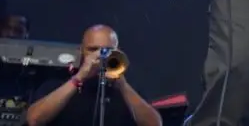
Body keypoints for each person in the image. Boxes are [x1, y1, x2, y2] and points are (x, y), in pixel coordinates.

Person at [24, 25, 161, 126]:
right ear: (81, 50)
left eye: (108, 50)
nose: (100, 56)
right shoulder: (57, 82)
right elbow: (34, 119)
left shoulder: (127, 88)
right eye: (93, 49)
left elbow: (154, 124)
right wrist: (79, 78)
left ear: (117, 51)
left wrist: (122, 85)